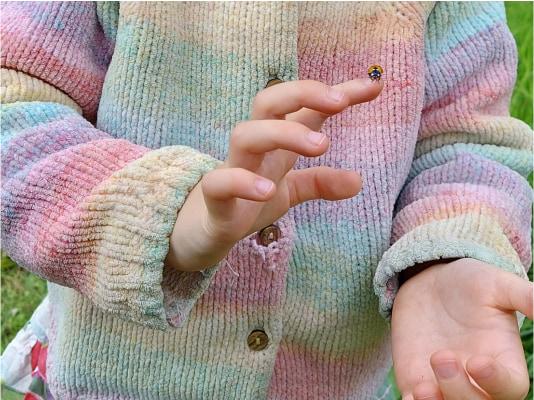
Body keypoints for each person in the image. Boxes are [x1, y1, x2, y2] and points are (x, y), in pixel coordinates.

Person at [1, 1, 532, 399]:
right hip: (112, 378)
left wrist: (446, 250)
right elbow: (15, 108)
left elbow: (462, 141)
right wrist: (160, 214)